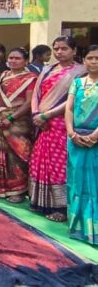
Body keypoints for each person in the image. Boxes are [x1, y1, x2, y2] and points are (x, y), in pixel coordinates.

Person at [30, 36, 86, 221]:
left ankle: (61, 208)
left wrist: (46, 115)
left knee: (59, 164)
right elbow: (36, 94)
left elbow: (72, 99)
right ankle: (41, 202)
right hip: (41, 123)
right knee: (40, 161)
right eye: (56, 48)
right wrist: (36, 114)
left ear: (74, 51)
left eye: (64, 48)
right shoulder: (47, 70)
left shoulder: (80, 72)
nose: (59, 52)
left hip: (62, 123)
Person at [0, 48, 37, 202]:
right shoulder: (3, 75)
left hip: (18, 123)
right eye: (11, 58)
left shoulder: (31, 78)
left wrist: (11, 118)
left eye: (17, 58)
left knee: (18, 155)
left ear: (26, 61)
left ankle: (18, 190)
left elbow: (29, 102)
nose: (13, 61)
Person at [65, 44, 98, 244]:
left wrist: (94, 136)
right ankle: (78, 227)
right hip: (75, 139)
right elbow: (69, 109)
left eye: (97, 58)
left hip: (96, 140)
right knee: (76, 182)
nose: (94, 62)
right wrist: (71, 133)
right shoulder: (77, 83)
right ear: (84, 61)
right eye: (90, 58)